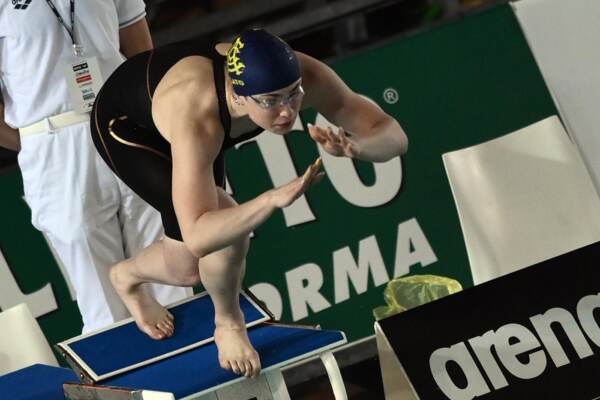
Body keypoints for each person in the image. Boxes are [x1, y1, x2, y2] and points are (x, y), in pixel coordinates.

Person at [90, 28, 408, 378]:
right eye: (271, 101)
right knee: (220, 233)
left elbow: (393, 136)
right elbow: (199, 234)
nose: (287, 112)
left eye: (293, 95)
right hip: (128, 125)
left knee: (187, 270)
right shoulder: (199, 117)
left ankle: (126, 275)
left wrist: (357, 147)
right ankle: (228, 323)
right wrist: (271, 199)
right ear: (240, 97)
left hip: (191, 124)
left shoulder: (303, 74)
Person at [0, 1, 189, 333]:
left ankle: (196, 377)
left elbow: (142, 55)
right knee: (103, 304)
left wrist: (147, 118)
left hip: (126, 126)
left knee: (172, 276)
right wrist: (36, 143)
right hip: (53, 142)